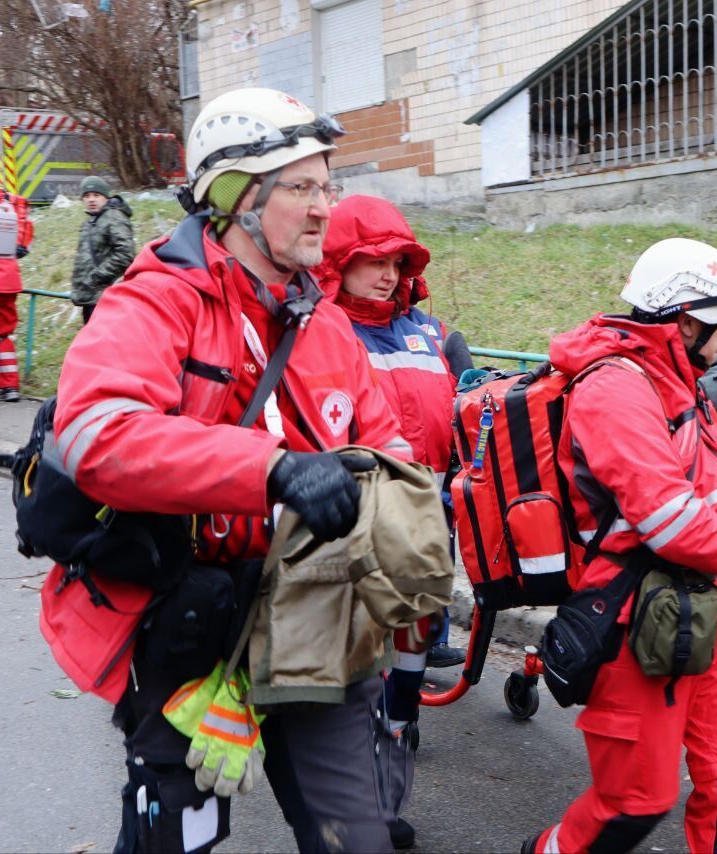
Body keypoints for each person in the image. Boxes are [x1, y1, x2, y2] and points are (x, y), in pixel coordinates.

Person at [42, 87, 415, 853]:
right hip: (191, 619)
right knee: (175, 838)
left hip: (316, 620)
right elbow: (96, 435)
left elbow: (386, 450)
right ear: (237, 200)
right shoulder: (155, 302)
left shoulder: (329, 325)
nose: (325, 210)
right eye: (302, 188)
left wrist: (407, 532)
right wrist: (271, 470)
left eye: (328, 186)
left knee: (359, 838)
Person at [524, 237, 717, 853]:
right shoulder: (615, 389)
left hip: (707, 610)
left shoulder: (682, 378)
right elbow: (666, 520)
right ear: (684, 322)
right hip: (634, 619)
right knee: (633, 803)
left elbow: (708, 478)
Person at [315, 193, 469, 850]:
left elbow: (455, 413)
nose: (387, 272)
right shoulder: (322, 330)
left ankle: (391, 782)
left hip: (429, 513)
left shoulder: (428, 332)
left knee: (411, 650)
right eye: (372, 260)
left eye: (397, 260)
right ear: (340, 262)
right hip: (360, 519)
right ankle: (358, 786)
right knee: (361, 662)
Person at [0, 173, 33, 403]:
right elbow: (25, 240)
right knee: (2, 333)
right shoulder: (9, 204)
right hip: (9, 281)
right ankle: (10, 387)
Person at [71, 174, 135, 323]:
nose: (91, 199)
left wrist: (95, 277)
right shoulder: (92, 221)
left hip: (106, 296)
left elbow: (126, 254)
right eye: (87, 196)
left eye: (96, 195)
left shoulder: (114, 217)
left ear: (106, 197)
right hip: (92, 297)